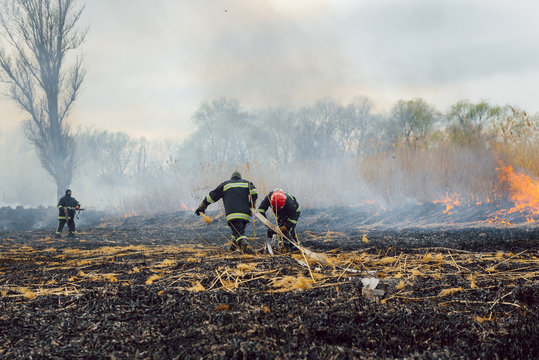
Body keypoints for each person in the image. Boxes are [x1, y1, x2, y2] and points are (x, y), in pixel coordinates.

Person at [195, 171, 258, 254]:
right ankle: (231, 250)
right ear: (240, 177)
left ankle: (246, 246)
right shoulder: (247, 183)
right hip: (245, 215)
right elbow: (254, 193)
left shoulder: (225, 185)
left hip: (232, 215)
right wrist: (251, 204)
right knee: (238, 232)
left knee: (239, 233)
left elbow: (212, 196)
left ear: (232, 177)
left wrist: (202, 207)